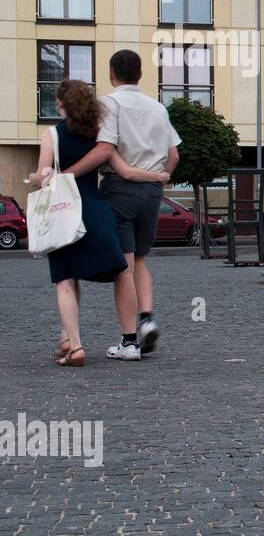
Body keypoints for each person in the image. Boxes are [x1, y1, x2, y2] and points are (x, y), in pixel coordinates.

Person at [27, 80, 170, 368]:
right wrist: (159, 177)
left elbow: (44, 174)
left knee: (66, 280)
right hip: (97, 211)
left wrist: (36, 177)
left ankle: (75, 346)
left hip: (64, 212)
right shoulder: (98, 137)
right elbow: (126, 171)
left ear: (60, 105)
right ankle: (125, 338)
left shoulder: (52, 134)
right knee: (122, 272)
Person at [61, 50, 181, 361]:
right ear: (140, 74)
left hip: (121, 189)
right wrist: (162, 175)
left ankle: (129, 342)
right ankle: (147, 318)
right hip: (153, 192)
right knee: (140, 259)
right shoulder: (158, 108)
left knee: (123, 266)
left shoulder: (109, 104)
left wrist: (65, 175)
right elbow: (174, 155)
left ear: (112, 74)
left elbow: (104, 149)